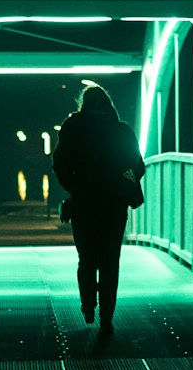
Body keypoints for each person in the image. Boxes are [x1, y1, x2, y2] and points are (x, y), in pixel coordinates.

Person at [52, 83, 145, 336]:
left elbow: (60, 164)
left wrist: (74, 186)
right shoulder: (121, 130)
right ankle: (107, 317)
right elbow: (139, 166)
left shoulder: (72, 126)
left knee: (87, 258)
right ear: (107, 104)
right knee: (110, 261)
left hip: (83, 203)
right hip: (114, 205)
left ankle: (88, 306)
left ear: (84, 104)